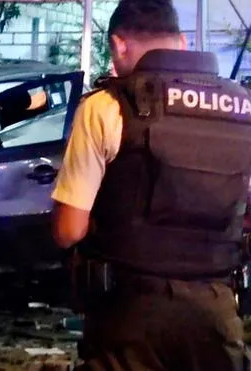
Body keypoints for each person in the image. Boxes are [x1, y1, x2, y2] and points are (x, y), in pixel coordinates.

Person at [51, 0, 251, 370]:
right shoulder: (243, 108)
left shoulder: (105, 107)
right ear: (182, 43)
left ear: (118, 44)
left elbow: (68, 230)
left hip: (129, 318)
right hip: (216, 313)